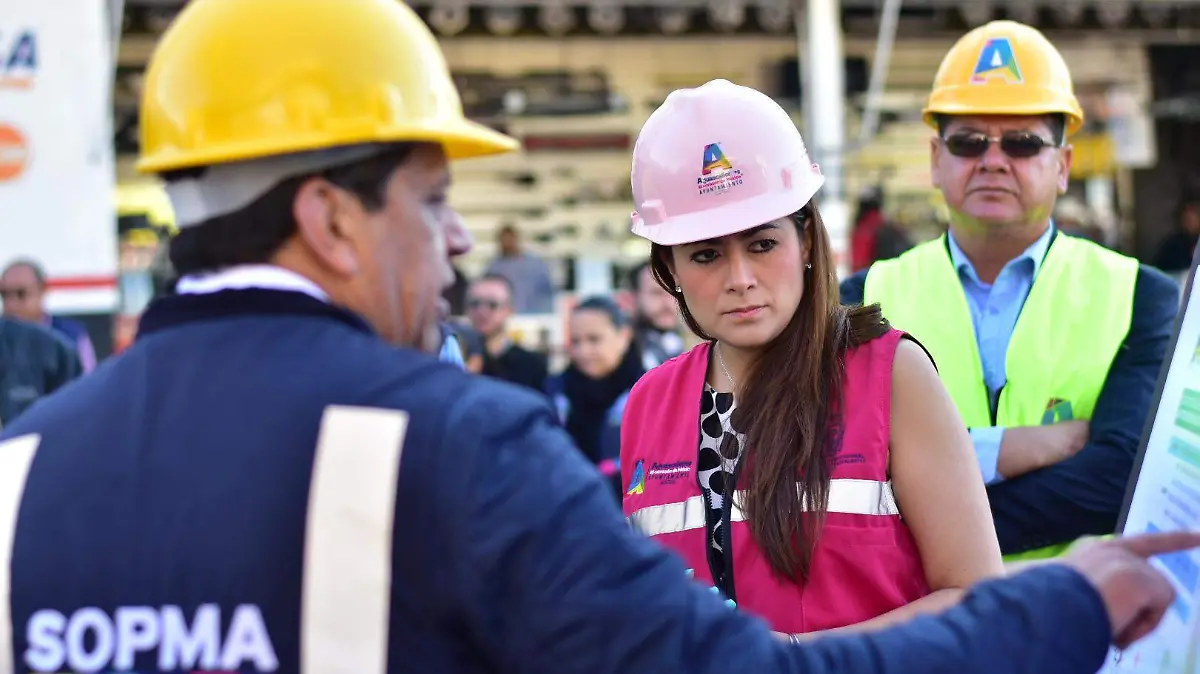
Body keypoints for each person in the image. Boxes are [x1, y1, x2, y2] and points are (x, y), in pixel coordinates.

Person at [0, 2, 1193, 673]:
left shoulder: (19, 471)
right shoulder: (467, 443)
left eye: (764, 241)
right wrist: (1067, 599)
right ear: (327, 217)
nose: (462, 242)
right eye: (430, 198)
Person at [621, 79, 1003, 638]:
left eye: (762, 243)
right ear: (670, 271)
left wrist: (795, 660)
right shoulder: (649, 403)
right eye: (705, 255)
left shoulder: (891, 376)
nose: (741, 280)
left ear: (804, 241)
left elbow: (977, 596)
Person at [839, 20, 1180, 562]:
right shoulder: (858, 300)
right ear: (935, 159)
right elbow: (844, 475)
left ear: (1063, 166)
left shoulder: (1144, 297)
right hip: (919, 634)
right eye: (968, 141)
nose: (993, 160)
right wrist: (1018, 448)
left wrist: (921, 505)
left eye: (1022, 143)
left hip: (1084, 626)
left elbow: (1120, 479)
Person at [546, 296, 645, 500]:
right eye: (575, 341)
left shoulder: (649, 392)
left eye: (594, 339)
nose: (583, 351)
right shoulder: (557, 392)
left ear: (624, 336)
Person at [0, 258, 98, 373]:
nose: (11, 304)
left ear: (42, 291)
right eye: (4, 295)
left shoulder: (72, 335)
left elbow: (88, 382)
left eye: (21, 294)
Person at [465, 273, 549, 391]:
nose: (482, 311)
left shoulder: (531, 365)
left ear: (509, 310)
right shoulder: (456, 359)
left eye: (492, 305)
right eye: (475, 304)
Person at [627, 260, 686, 369]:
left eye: (674, 292)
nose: (669, 302)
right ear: (635, 297)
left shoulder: (689, 344)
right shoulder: (619, 350)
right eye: (657, 293)